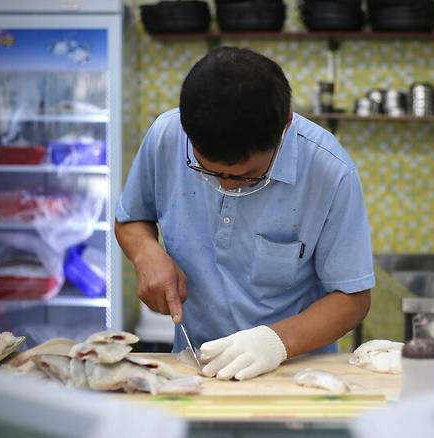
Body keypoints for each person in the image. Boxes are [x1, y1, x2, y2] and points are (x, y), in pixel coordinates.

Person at [115, 47, 375, 381]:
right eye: (207, 171)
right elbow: (130, 218)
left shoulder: (330, 172)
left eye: (246, 174)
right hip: (196, 366)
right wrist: (145, 253)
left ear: (285, 123)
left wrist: (276, 342)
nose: (225, 185)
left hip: (296, 373)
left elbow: (352, 298)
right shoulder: (167, 136)